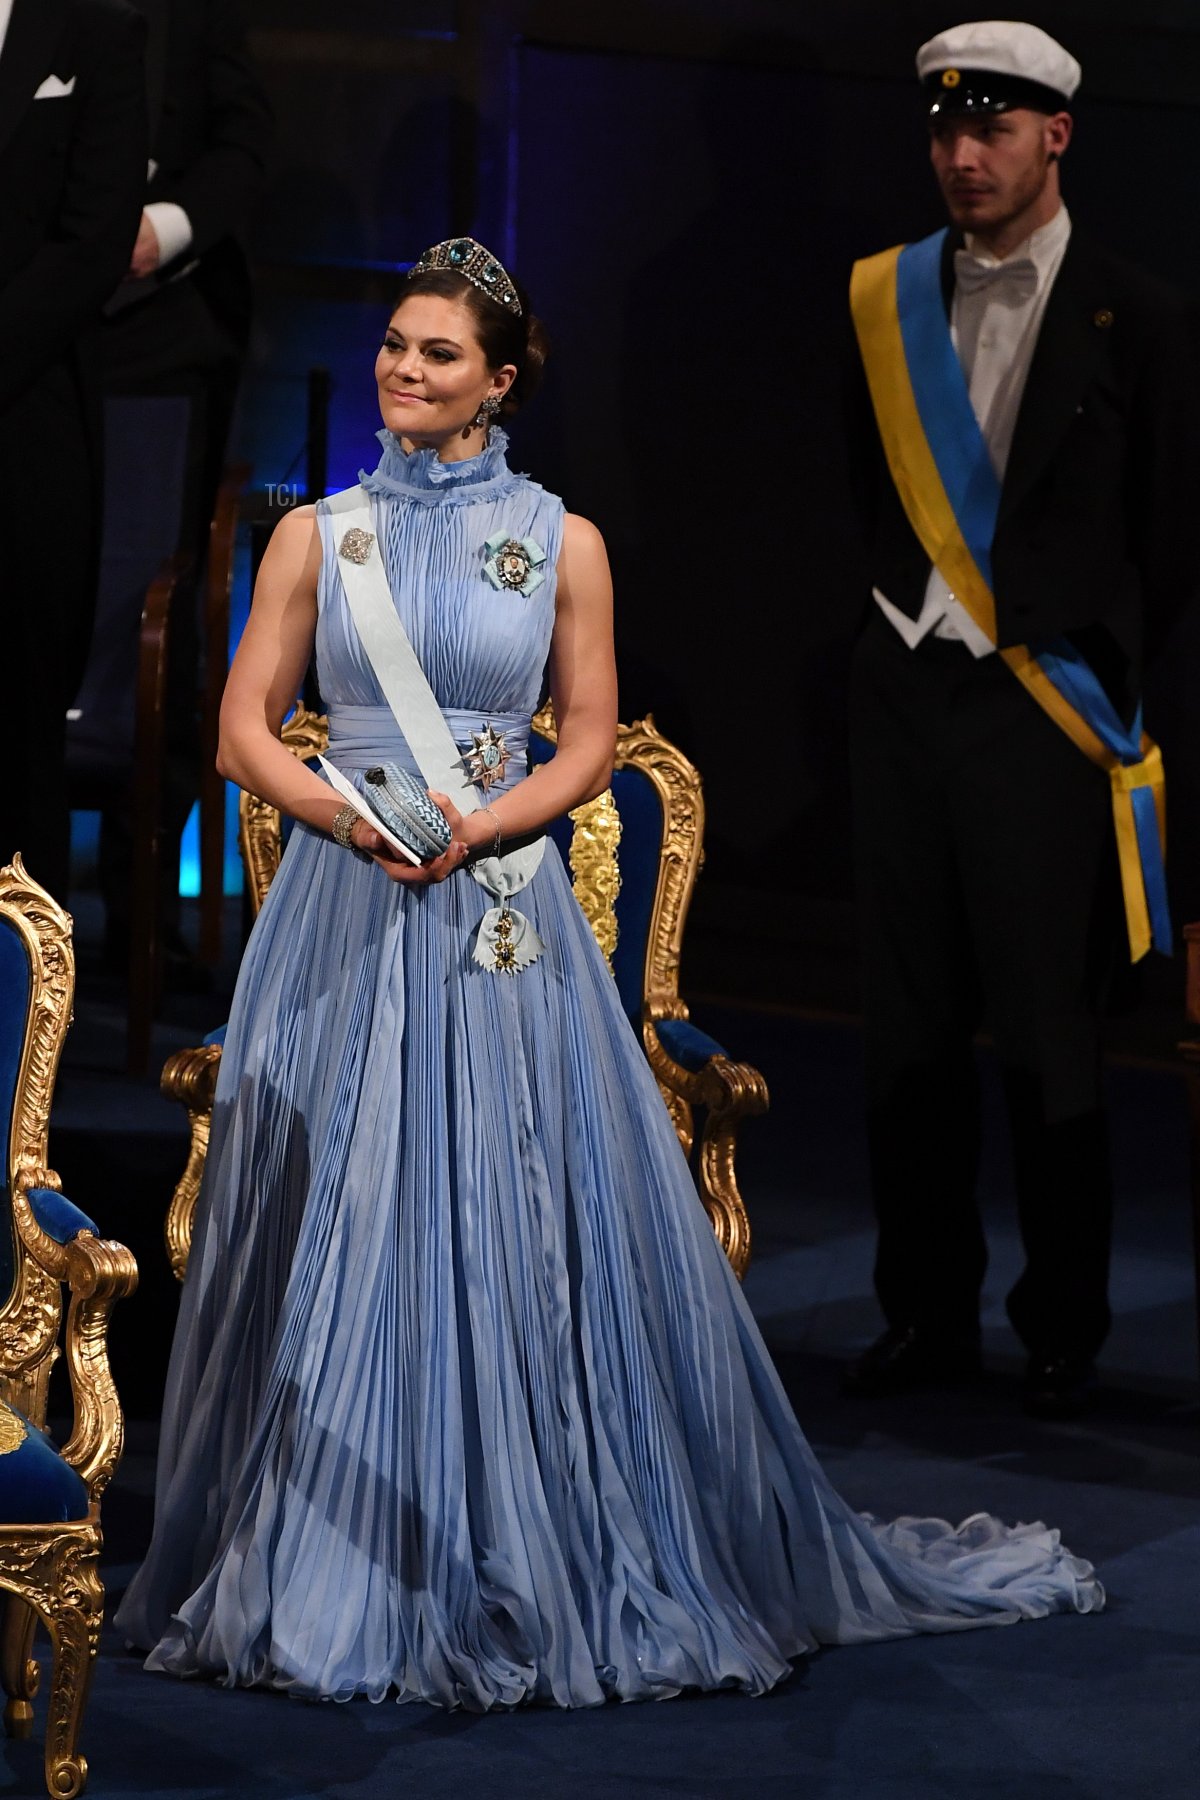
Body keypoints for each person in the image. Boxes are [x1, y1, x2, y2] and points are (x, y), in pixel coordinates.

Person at [117, 236, 1101, 1707]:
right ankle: (321, 1551)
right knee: (341, 1217)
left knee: (501, 1216)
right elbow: (242, 731)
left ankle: (521, 1531)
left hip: (498, 902)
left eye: (439, 353)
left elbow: (587, 740)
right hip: (344, 903)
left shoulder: (564, 541)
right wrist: (346, 813)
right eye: (394, 345)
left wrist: (481, 822)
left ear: (501, 381)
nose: (403, 370)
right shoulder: (320, 536)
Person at [842, 20, 1199, 1419]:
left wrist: (1101, 668)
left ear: (1056, 135)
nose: (962, 156)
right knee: (907, 1029)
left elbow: (1167, 540)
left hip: (1045, 707)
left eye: (991, 130)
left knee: (1050, 1035)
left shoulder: (1140, 315)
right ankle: (924, 1313)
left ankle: (1062, 1325)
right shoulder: (882, 297)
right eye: (945, 130)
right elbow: (859, 492)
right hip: (904, 694)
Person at [0, 0, 146, 899]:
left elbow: (93, 241)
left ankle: (19, 979)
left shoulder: (96, 28)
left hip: (26, 421)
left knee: (16, 732)